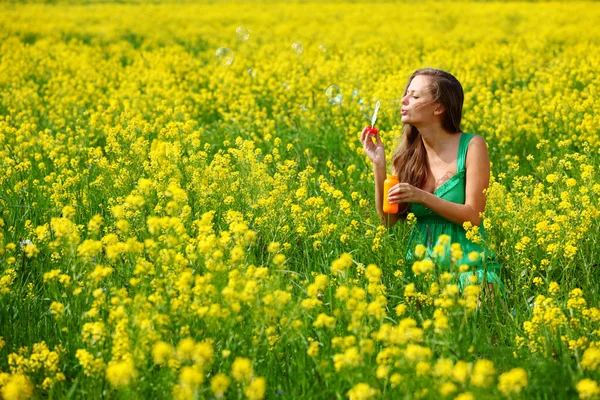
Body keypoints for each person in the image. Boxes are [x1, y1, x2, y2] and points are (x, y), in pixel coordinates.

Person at [360, 67, 503, 291]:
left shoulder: (472, 146)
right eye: (406, 93)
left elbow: (474, 217)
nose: (403, 100)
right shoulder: (405, 157)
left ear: (439, 107)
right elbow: (388, 221)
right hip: (422, 271)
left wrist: (423, 197)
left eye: (414, 96)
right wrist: (379, 166)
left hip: (470, 266)